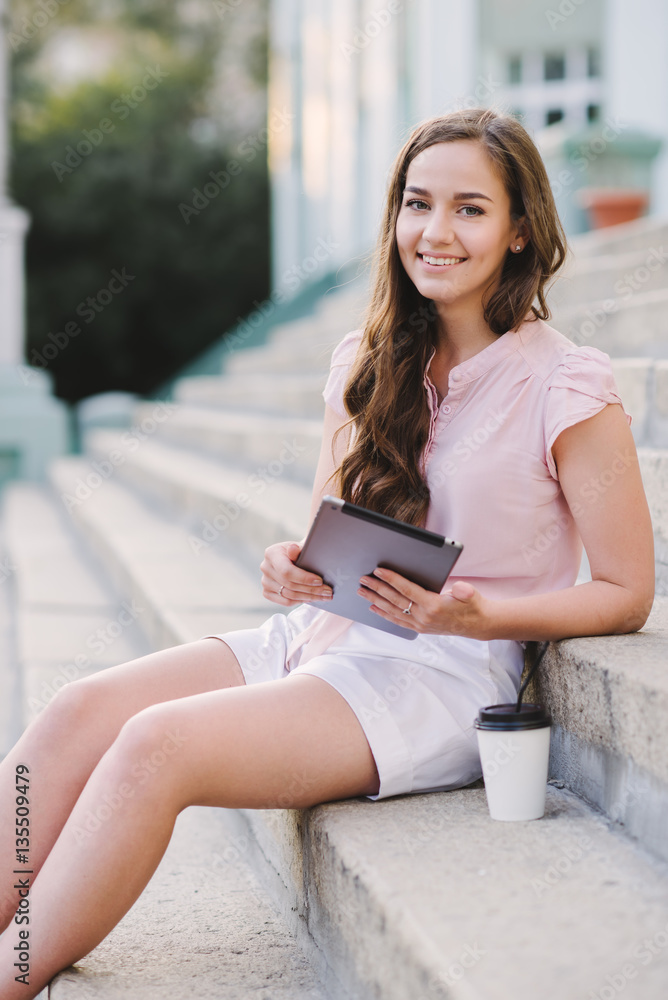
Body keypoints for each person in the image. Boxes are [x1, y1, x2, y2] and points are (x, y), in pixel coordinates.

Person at [0, 107, 655, 997]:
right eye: (417, 204)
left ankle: (12, 969)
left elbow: (626, 591)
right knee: (79, 709)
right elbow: (321, 536)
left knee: (157, 744)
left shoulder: (568, 383)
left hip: (439, 676)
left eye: (469, 209)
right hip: (320, 641)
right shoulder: (366, 359)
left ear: (520, 229)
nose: (435, 232)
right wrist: (289, 568)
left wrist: (479, 611)